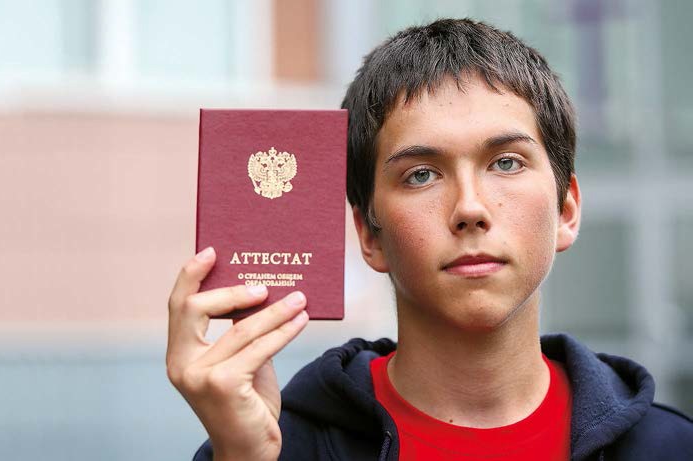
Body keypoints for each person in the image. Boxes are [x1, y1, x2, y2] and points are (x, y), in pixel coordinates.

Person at [166, 18, 693, 460]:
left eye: (506, 163)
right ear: (369, 234)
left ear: (566, 210)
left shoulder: (670, 447)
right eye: (421, 175)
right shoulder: (270, 446)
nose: (470, 208)